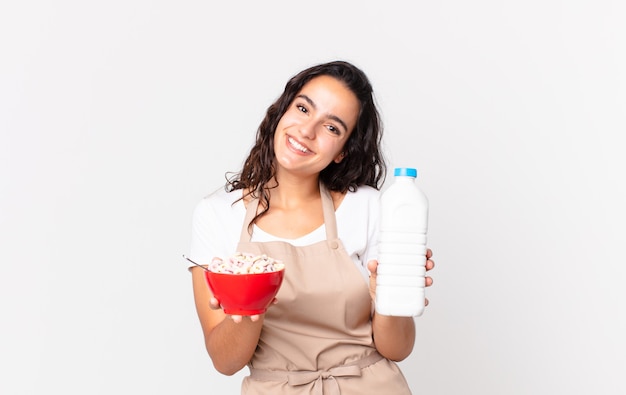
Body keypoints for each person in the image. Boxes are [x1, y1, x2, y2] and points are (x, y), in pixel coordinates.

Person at [186, 60, 435, 394]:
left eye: (332, 128)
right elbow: (225, 361)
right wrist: (250, 307)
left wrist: (389, 298)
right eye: (303, 108)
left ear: (342, 152)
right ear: (280, 112)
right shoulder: (217, 214)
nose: (307, 130)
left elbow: (398, 349)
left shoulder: (370, 207)